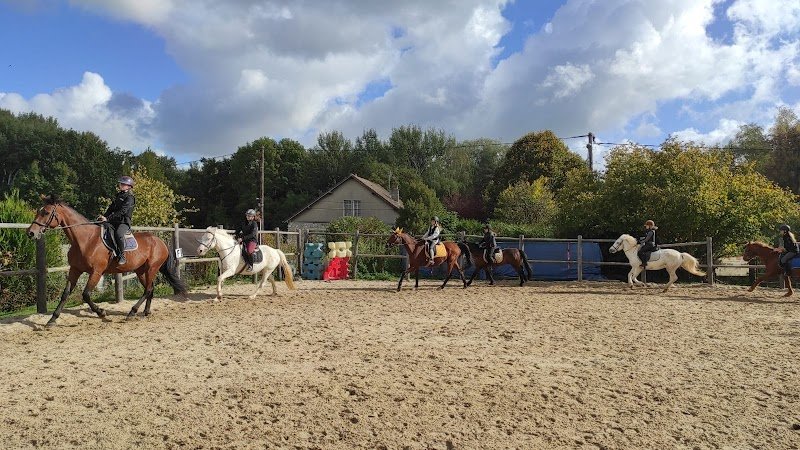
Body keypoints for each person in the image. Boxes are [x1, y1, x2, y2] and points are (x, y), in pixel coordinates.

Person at [97, 175, 135, 264]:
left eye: (123, 184)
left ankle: (122, 255)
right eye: (121, 183)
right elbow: (111, 208)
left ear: (129, 186)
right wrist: (103, 216)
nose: (121, 185)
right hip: (114, 220)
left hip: (123, 222)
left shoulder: (130, 198)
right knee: (100, 226)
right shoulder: (118, 195)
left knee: (119, 234)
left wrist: (108, 218)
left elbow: (123, 211)